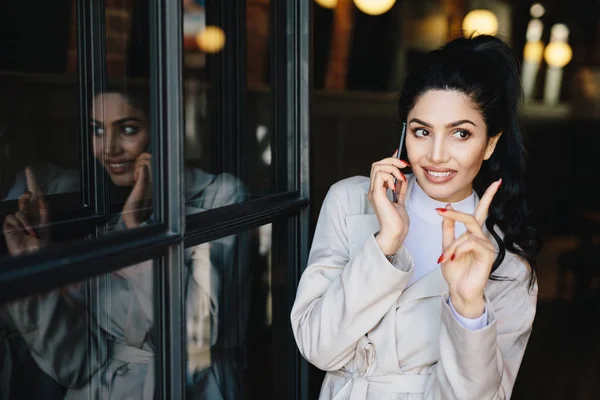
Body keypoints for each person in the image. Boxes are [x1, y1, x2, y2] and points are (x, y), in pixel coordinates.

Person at [291, 35, 542, 399]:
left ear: (490, 143)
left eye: (460, 134)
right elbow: (317, 348)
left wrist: (468, 305)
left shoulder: (509, 267)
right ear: (403, 133)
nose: (437, 155)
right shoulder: (351, 202)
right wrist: (385, 245)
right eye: (421, 131)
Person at [2, 85, 249, 399]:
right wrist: (34, 264)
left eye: (128, 129)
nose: (109, 148)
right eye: (97, 130)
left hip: (192, 387)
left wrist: (138, 234)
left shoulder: (219, 196)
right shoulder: (104, 224)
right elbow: (76, 364)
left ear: (163, 128)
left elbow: (198, 334)